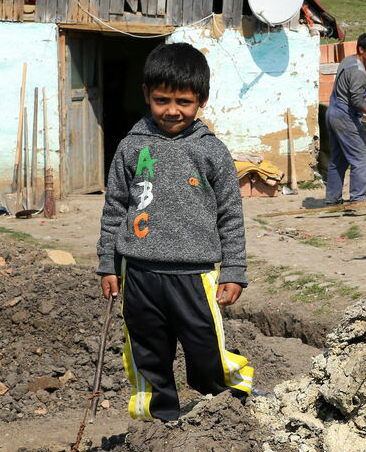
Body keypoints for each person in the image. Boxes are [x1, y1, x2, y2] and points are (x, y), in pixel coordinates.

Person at [96, 43, 252, 421]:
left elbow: (230, 214)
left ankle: (230, 406)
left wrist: (233, 270)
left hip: (194, 276)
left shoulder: (212, 152)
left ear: (202, 100)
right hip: (140, 274)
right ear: (147, 95)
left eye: (183, 101)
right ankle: (157, 421)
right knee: (147, 352)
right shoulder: (132, 147)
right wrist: (107, 263)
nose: (171, 110)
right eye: (161, 99)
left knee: (207, 351)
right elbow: (115, 206)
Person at [326, 33, 366, 204]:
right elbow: (356, 100)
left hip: (332, 113)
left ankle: (332, 200)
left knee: (338, 160)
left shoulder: (348, 61)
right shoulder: (358, 72)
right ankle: (357, 201)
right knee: (362, 160)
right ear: (361, 49)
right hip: (344, 117)